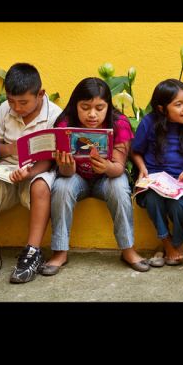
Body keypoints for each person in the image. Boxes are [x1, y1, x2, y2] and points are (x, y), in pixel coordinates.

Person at [48, 77, 149, 271]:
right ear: (75, 105)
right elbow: (65, 173)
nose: (92, 114)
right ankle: (60, 252)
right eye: (85, 107)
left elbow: (119, 167)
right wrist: (67, 166)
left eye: (99, 108)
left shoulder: (119, 123)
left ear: (108, 106)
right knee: (61, 186)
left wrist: (107, 168)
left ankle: (128, 249)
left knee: (119, 185)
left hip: (106, 178)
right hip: (76, 177)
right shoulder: (65, 124)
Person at [0, 63, 62, 283]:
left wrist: (30, 172)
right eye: (12, 101)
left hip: (38, 170)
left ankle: (32, 251)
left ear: (40, 94)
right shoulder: (6, 109)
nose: (17, 107)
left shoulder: (55, 115)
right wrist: (10, 149)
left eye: (23, 102)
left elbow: (51, 158)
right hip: (7, 168)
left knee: (42, 185)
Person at [131, 79, 183, 266]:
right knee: (152, 200)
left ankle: (173, 245)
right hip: (154, 180)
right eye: (178, 104)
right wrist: (142, 168)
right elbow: (135, 151)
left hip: (180, 183)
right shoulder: (149, 123)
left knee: (179, 207)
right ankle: (169, 245)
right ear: (161, 108)